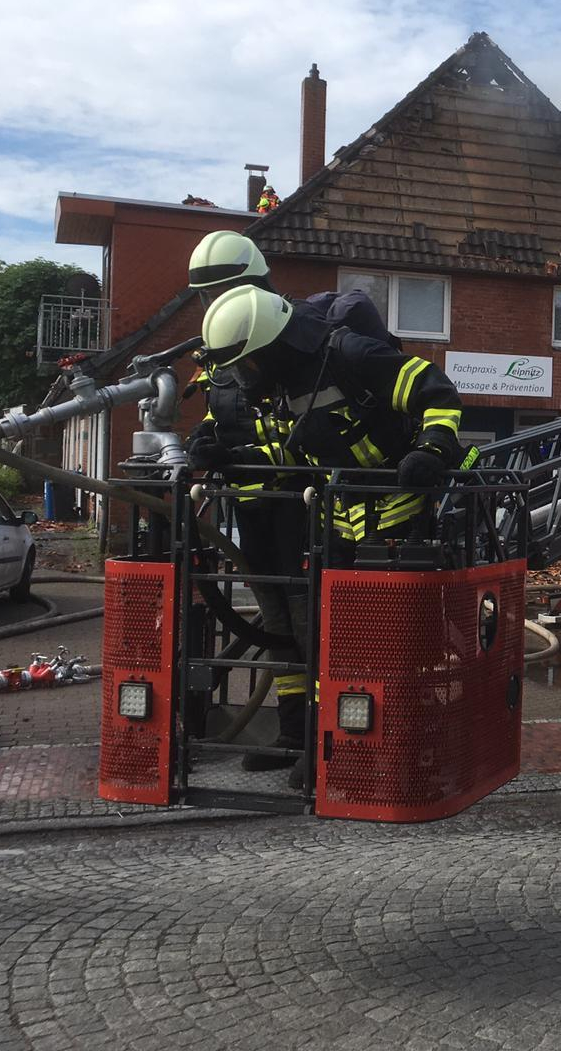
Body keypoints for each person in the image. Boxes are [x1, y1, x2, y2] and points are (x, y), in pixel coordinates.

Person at [199, 286, 464, 786]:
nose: (243, 380)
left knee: (386, 639)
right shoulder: (286, 384)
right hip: (341, 519)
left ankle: (387, 743)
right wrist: (233, 459)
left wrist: (432, 448)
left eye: (246, 367)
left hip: (398, 511)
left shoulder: (350, 353)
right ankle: (332, 741)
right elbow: (296, 453)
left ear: (270, 347)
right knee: (333, 637)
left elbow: (435, 389)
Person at [182, 230, 398, 773]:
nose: (215, 303)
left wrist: (244, 455)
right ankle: (292, 732)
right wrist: (203, 440)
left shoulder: (283, 343)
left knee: (311, 624)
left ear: (256, 285)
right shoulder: (225, 352)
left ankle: (325, 739)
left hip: (299, 507)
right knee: (277, 626)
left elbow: (292, 435)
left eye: (222, 290)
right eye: (206, 295)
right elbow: (220, 414)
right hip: (250, 510)